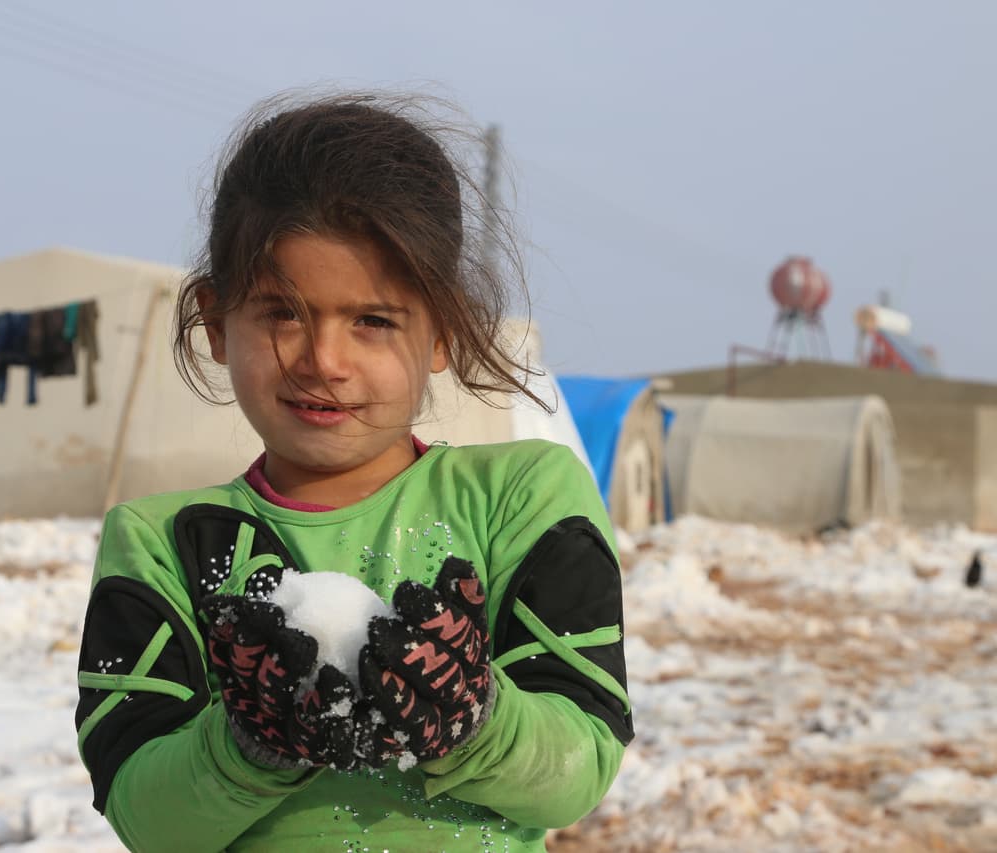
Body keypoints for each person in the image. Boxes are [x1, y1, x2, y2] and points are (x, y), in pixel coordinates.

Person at [74, 91, 633, 852]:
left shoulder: (522, 499)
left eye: (372, 320)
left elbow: (577, 772)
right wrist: (250, 738)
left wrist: (471, 717)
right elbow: (148, 817)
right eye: (280, 312)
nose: (323, 362)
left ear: (443, 327)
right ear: (214, 318)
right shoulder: (164, 544)